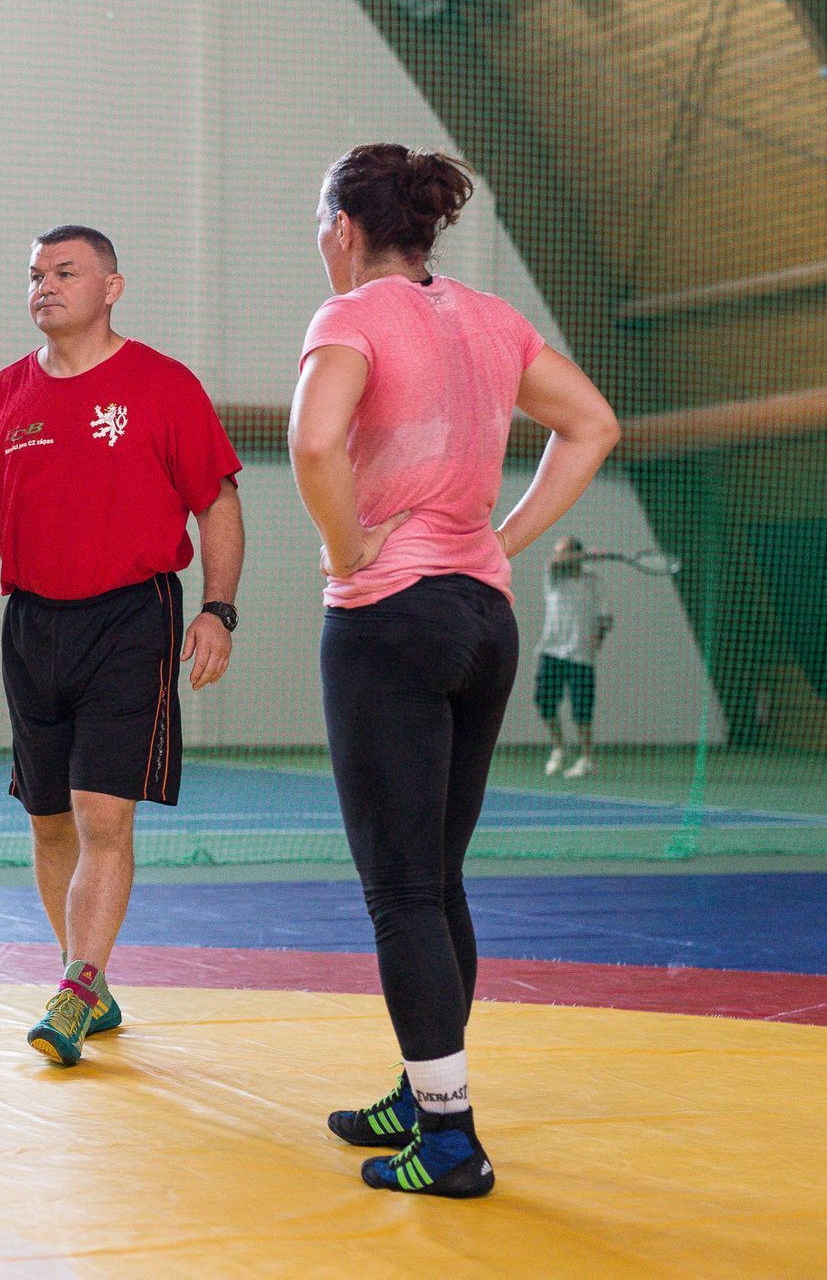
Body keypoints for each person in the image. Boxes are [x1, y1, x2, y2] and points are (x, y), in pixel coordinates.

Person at [289, 145, 619, 1195]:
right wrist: (501, 540)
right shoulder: (490, 317)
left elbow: (310, 445)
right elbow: (593, 424)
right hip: (484, 618)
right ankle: (420, 1086)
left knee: (399, 890)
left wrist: (348, 554)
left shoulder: (347, 317)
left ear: (344, 227)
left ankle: (448, 1137)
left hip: (391, 617)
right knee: (435, 880)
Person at [0, 225, 245, 1067]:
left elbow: (218, 502)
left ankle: (76, 983)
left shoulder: (163, 385)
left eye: (66, 271)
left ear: (112, 287)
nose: (45, 285)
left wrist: (218, 608)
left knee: (104, 811)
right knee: (49, 816)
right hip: (32, 625)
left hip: (133, 618)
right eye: (34, 274)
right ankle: (85, 980)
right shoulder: (4, 395)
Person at [537, 535, 612, 778]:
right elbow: (552, 563)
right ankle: (560, 748)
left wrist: (598, 637)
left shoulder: (593, 581)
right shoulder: (554, 577)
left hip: (581, 655)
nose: (559, 556)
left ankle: (586, 759)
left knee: (582, 709)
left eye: (564, 551)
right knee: (544, 702)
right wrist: (588, 553)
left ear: (575, 552)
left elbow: (605, 616)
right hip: (552, 650)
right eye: (558, 551)